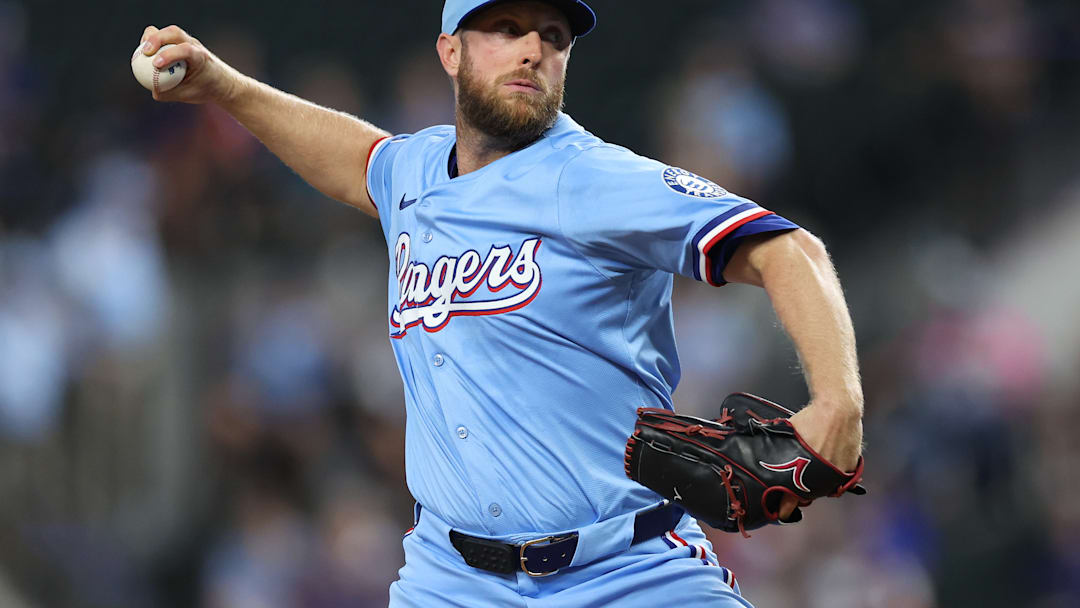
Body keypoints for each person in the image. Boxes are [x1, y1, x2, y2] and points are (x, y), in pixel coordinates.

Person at [138, 0, 864, 604]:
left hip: (629, 572)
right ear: (451, 52)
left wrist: (838, 402)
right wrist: (223, 86)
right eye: (506, 28)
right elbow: (354, 159)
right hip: (451, 581)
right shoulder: (413, 172)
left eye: (551, 36)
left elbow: (786, 250)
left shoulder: (599, 180)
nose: (531, 50)